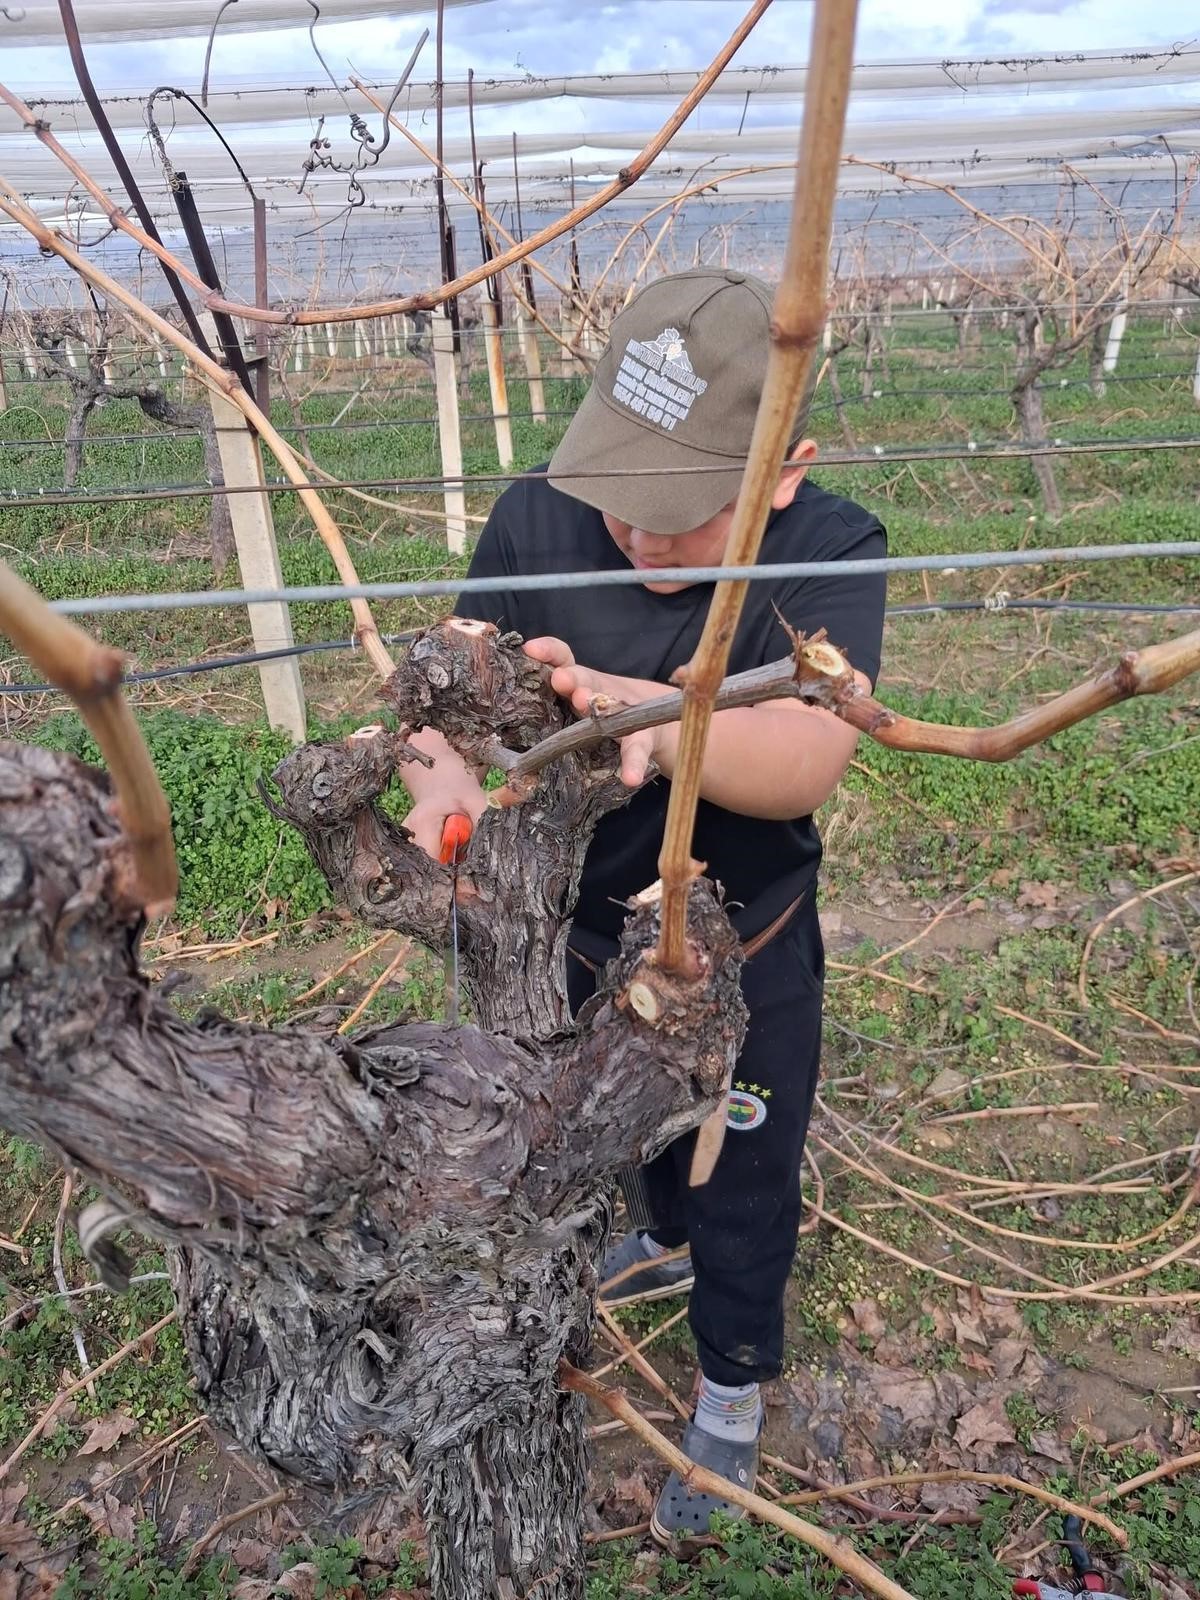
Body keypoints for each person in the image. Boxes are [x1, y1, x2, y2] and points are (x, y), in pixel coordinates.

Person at [402, 269, 886, 1542]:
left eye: (680, 511)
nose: (636, 533)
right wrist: (439, 787)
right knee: (627, 1132)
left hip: (744, 946)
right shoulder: (538, 516)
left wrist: (648, 718)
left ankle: (730, 1382)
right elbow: (452, 692)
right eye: (619, 488)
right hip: (583, 934)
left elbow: (807, 753)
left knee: (745, 1173)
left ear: (783, 476)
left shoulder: (832, 551)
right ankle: (661, 1236)